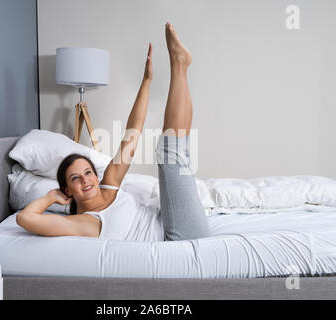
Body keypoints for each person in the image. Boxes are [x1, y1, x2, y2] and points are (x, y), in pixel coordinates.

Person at [16, 22, 210, 241]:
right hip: (179, 237)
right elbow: (26, 218)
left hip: (172, 219)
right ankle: (180, 65)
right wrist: (51, 196)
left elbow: (133, 132)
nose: (85, 181)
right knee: (168, 152)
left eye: (88, 173)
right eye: (75, 178)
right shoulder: (85, 222)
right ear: (67, 190)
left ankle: (180, 64)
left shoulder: (109, 185)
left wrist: (146, 81)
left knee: (165, 150)